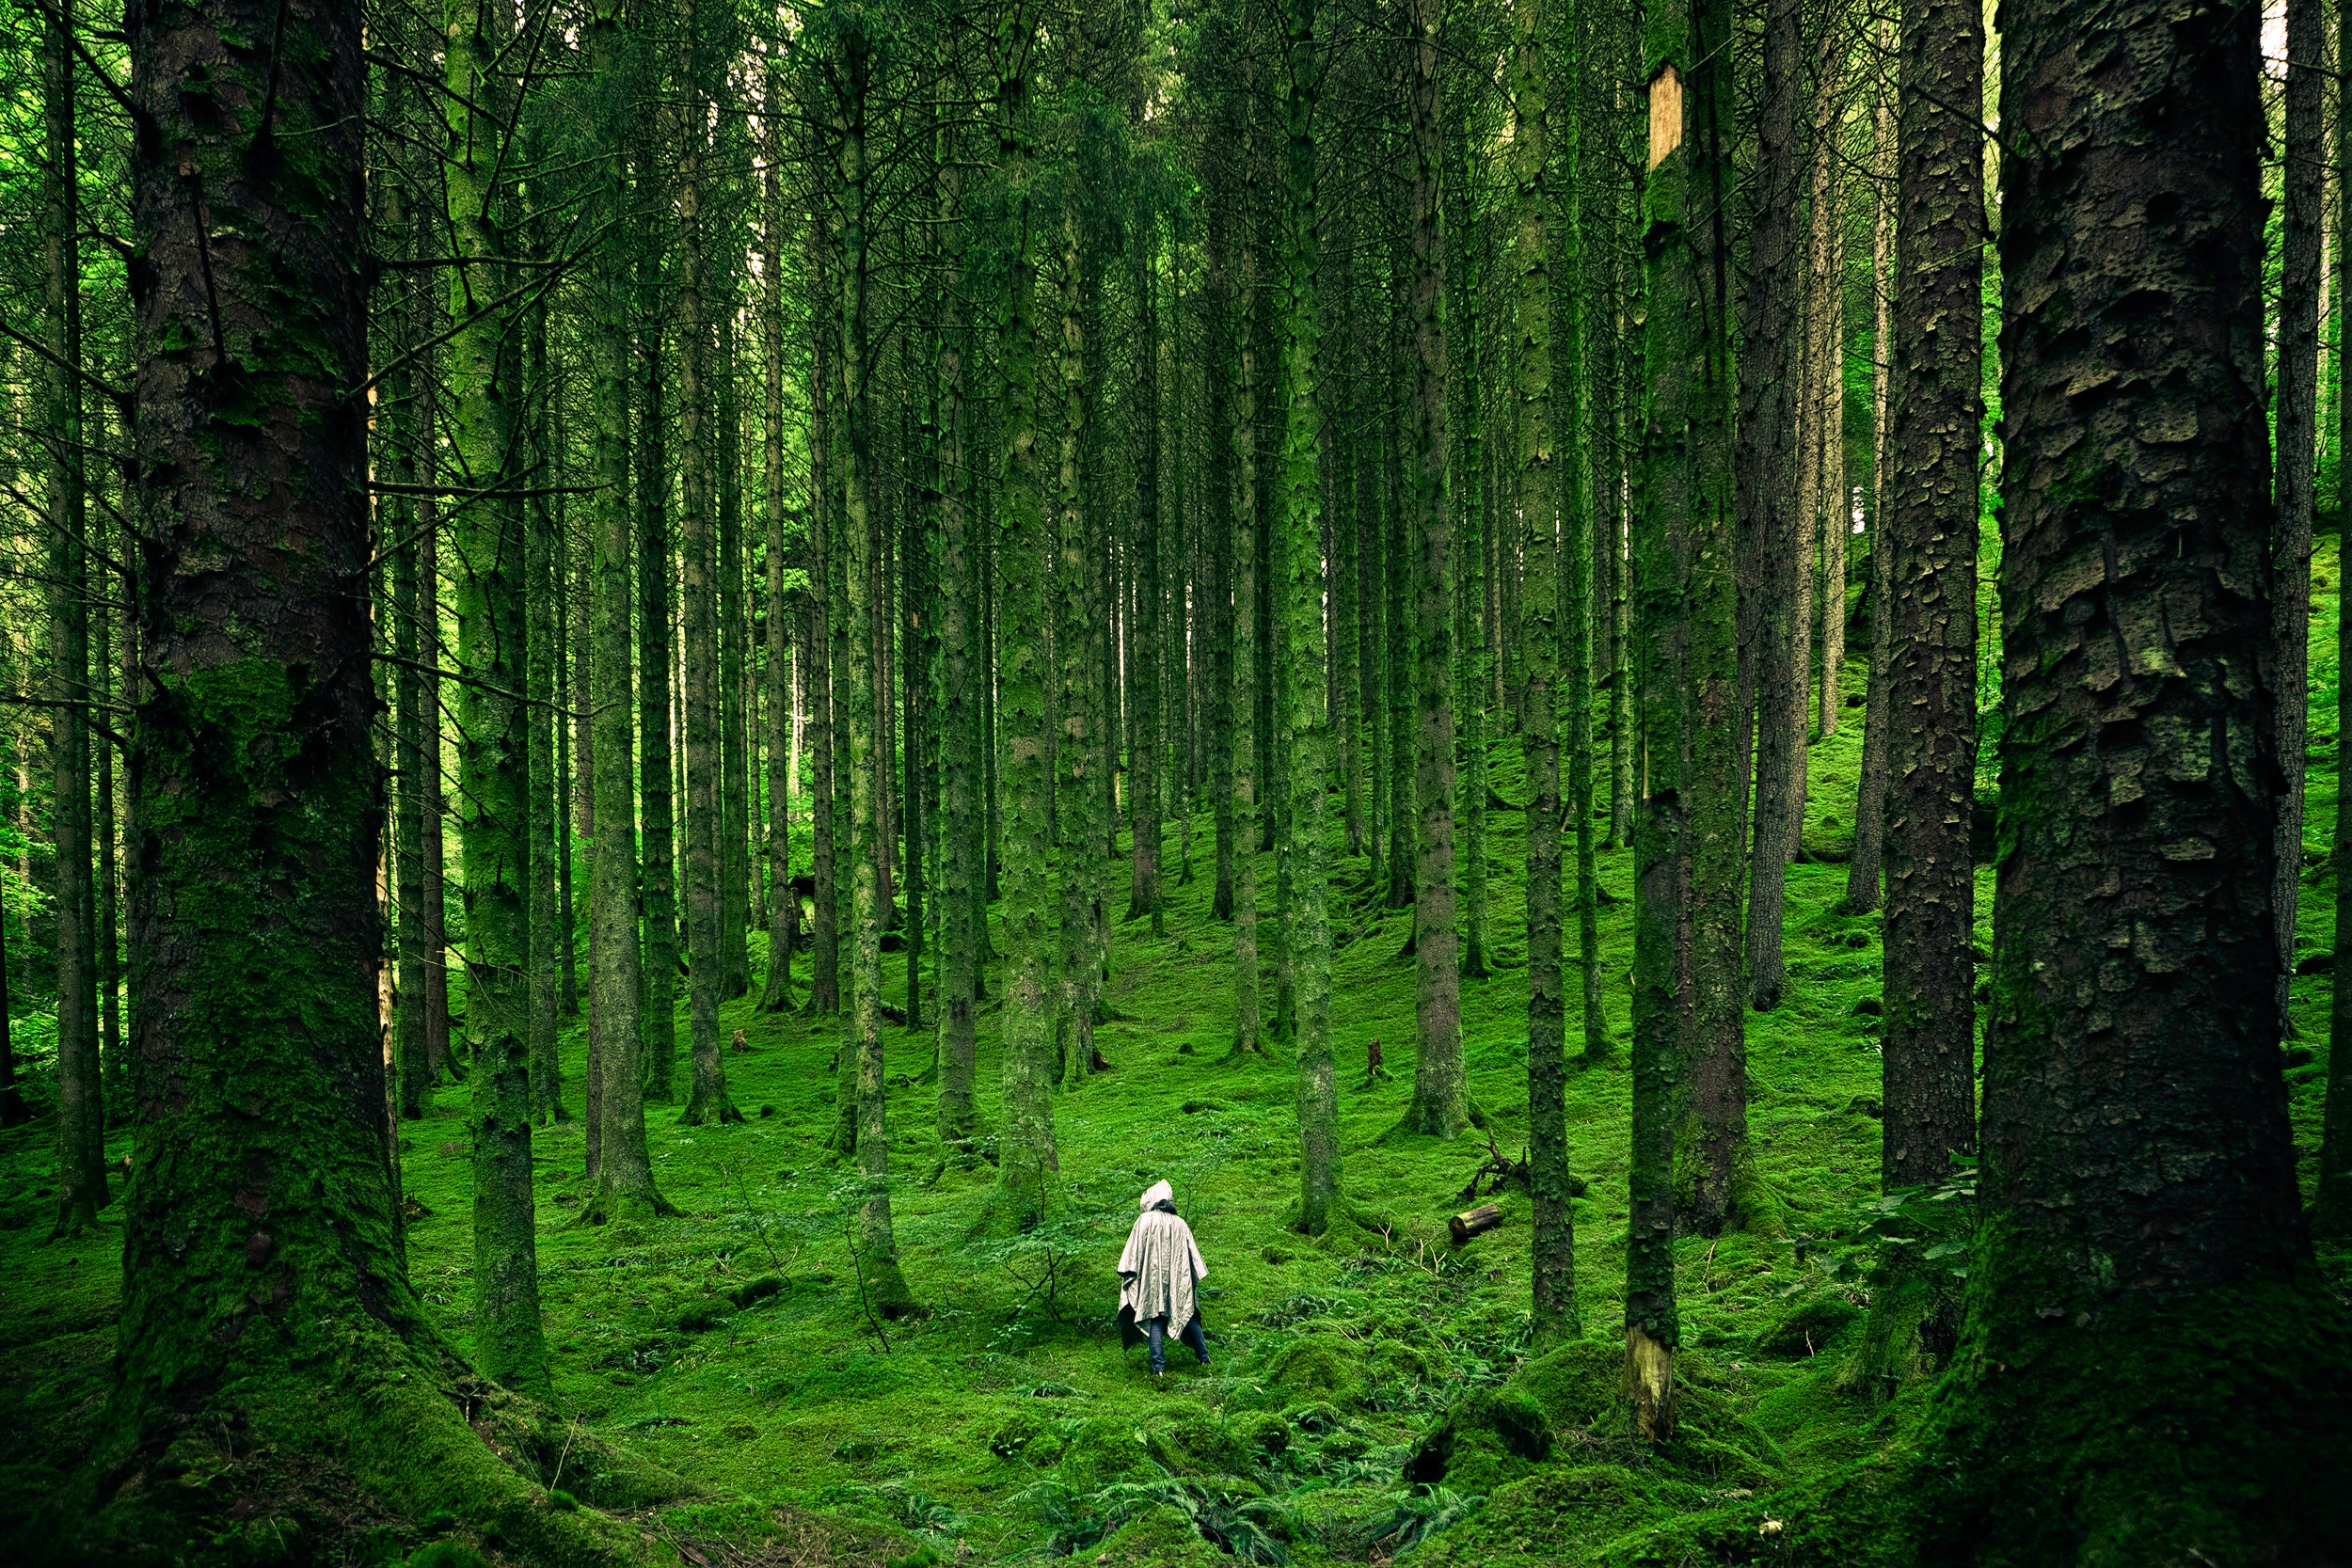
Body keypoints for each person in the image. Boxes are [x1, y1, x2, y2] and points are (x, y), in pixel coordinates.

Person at [1115, 1180, 1210, 1377]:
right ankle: (1205, 1359)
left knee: (1154, 1317)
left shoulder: (1144, 1221)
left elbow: (1133, 1254)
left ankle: (1159, 1369)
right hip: (1178, 1279)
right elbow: (1194, 1259)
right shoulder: (1180, 1223)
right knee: (1188, 1313)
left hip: (1151, 1279)